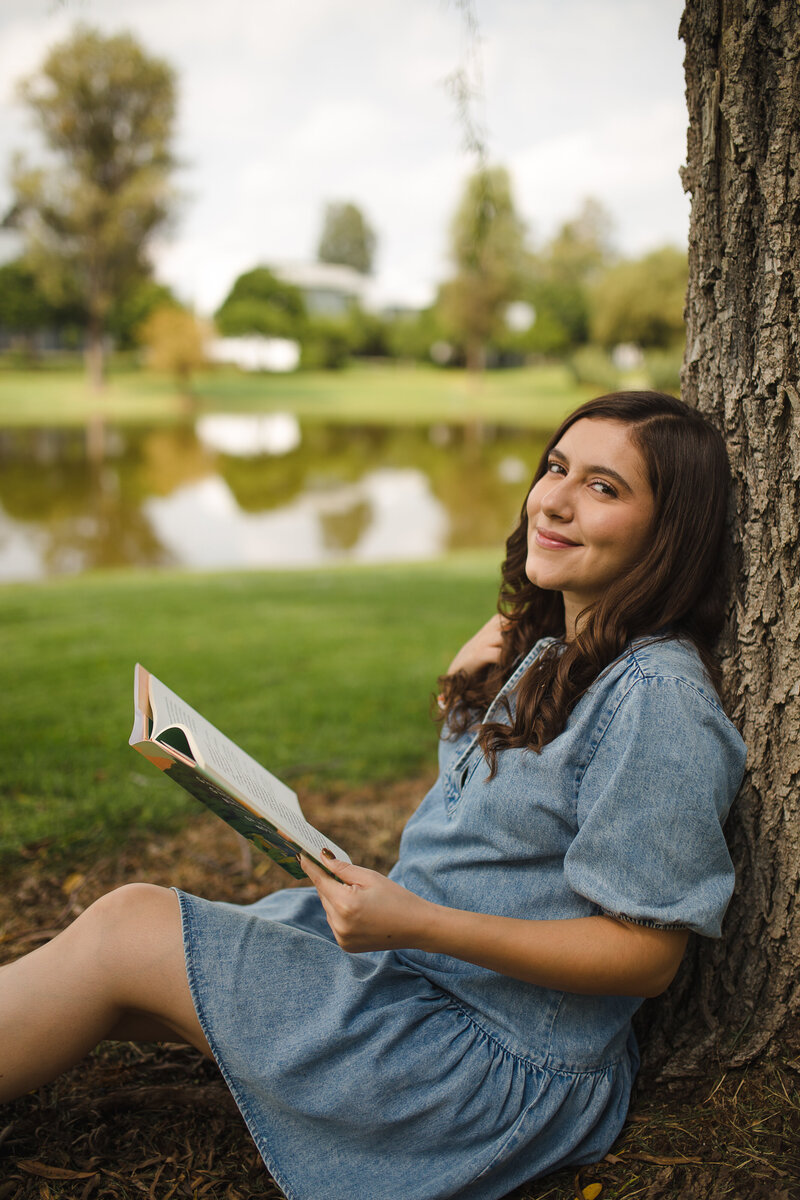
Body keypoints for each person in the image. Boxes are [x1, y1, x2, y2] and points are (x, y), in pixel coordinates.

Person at [0, 391, 746, 1200]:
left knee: (124, 932)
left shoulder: (658, 701)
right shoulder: (559, 647)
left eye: (604, 487)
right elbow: (509, 815)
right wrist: (466, 691)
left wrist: (418, 922)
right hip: (416, 977)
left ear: (668, 532)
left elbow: (647, 957)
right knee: (110, 980)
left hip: (486, 1063)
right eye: (557, 468)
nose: (554, 501)